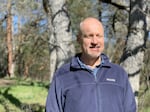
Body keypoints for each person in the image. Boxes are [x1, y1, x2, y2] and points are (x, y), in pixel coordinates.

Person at [45, 17, 136, 112]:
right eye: (89, 36)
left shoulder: (119, 74)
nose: (95, 41)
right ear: (79, 39)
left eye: (99, 36)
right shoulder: (63, 75)